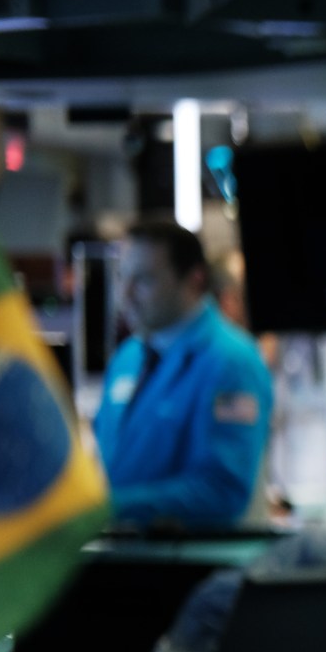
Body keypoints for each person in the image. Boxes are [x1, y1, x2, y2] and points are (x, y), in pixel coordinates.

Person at [93, 219, 272, 530]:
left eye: (144, 280)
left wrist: (108, 507)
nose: (126, 294)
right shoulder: (128, 357)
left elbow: (222, 492)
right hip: (123, 557)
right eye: (123, 277)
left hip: (193, 566)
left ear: (194, 280)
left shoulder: (231, 362)